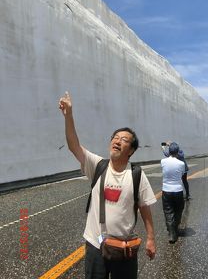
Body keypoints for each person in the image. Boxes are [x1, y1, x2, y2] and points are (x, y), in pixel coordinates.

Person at [59, 92, 156, 279]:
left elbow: (144, 207)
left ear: (132, 151)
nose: (118, 141)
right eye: (115, 137)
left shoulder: (136, 174)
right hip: (96, 245)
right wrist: (69, 115)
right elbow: (74, 146)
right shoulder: (98, 165)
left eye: (124, 140)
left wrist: (151, 238)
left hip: (124, 247)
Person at [161, 142, 185, 244]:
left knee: (168, 211)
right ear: (177, 152)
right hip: (178, 190)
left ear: (169, 151)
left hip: (166, 190)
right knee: (178, 210)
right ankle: (175, 228)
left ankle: (171, 233)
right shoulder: (181, 163)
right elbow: (182, 174)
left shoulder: (163, 161)